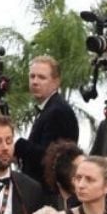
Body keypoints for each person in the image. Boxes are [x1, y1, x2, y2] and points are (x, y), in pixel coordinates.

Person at [15, 57, 79, 188]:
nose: (35, 82)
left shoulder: (58, 111)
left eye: (41, 77)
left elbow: (50, 156)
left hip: (47, 190)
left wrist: (19, 145)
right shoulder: (50, 108)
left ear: (56, 82)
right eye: (32, 76)